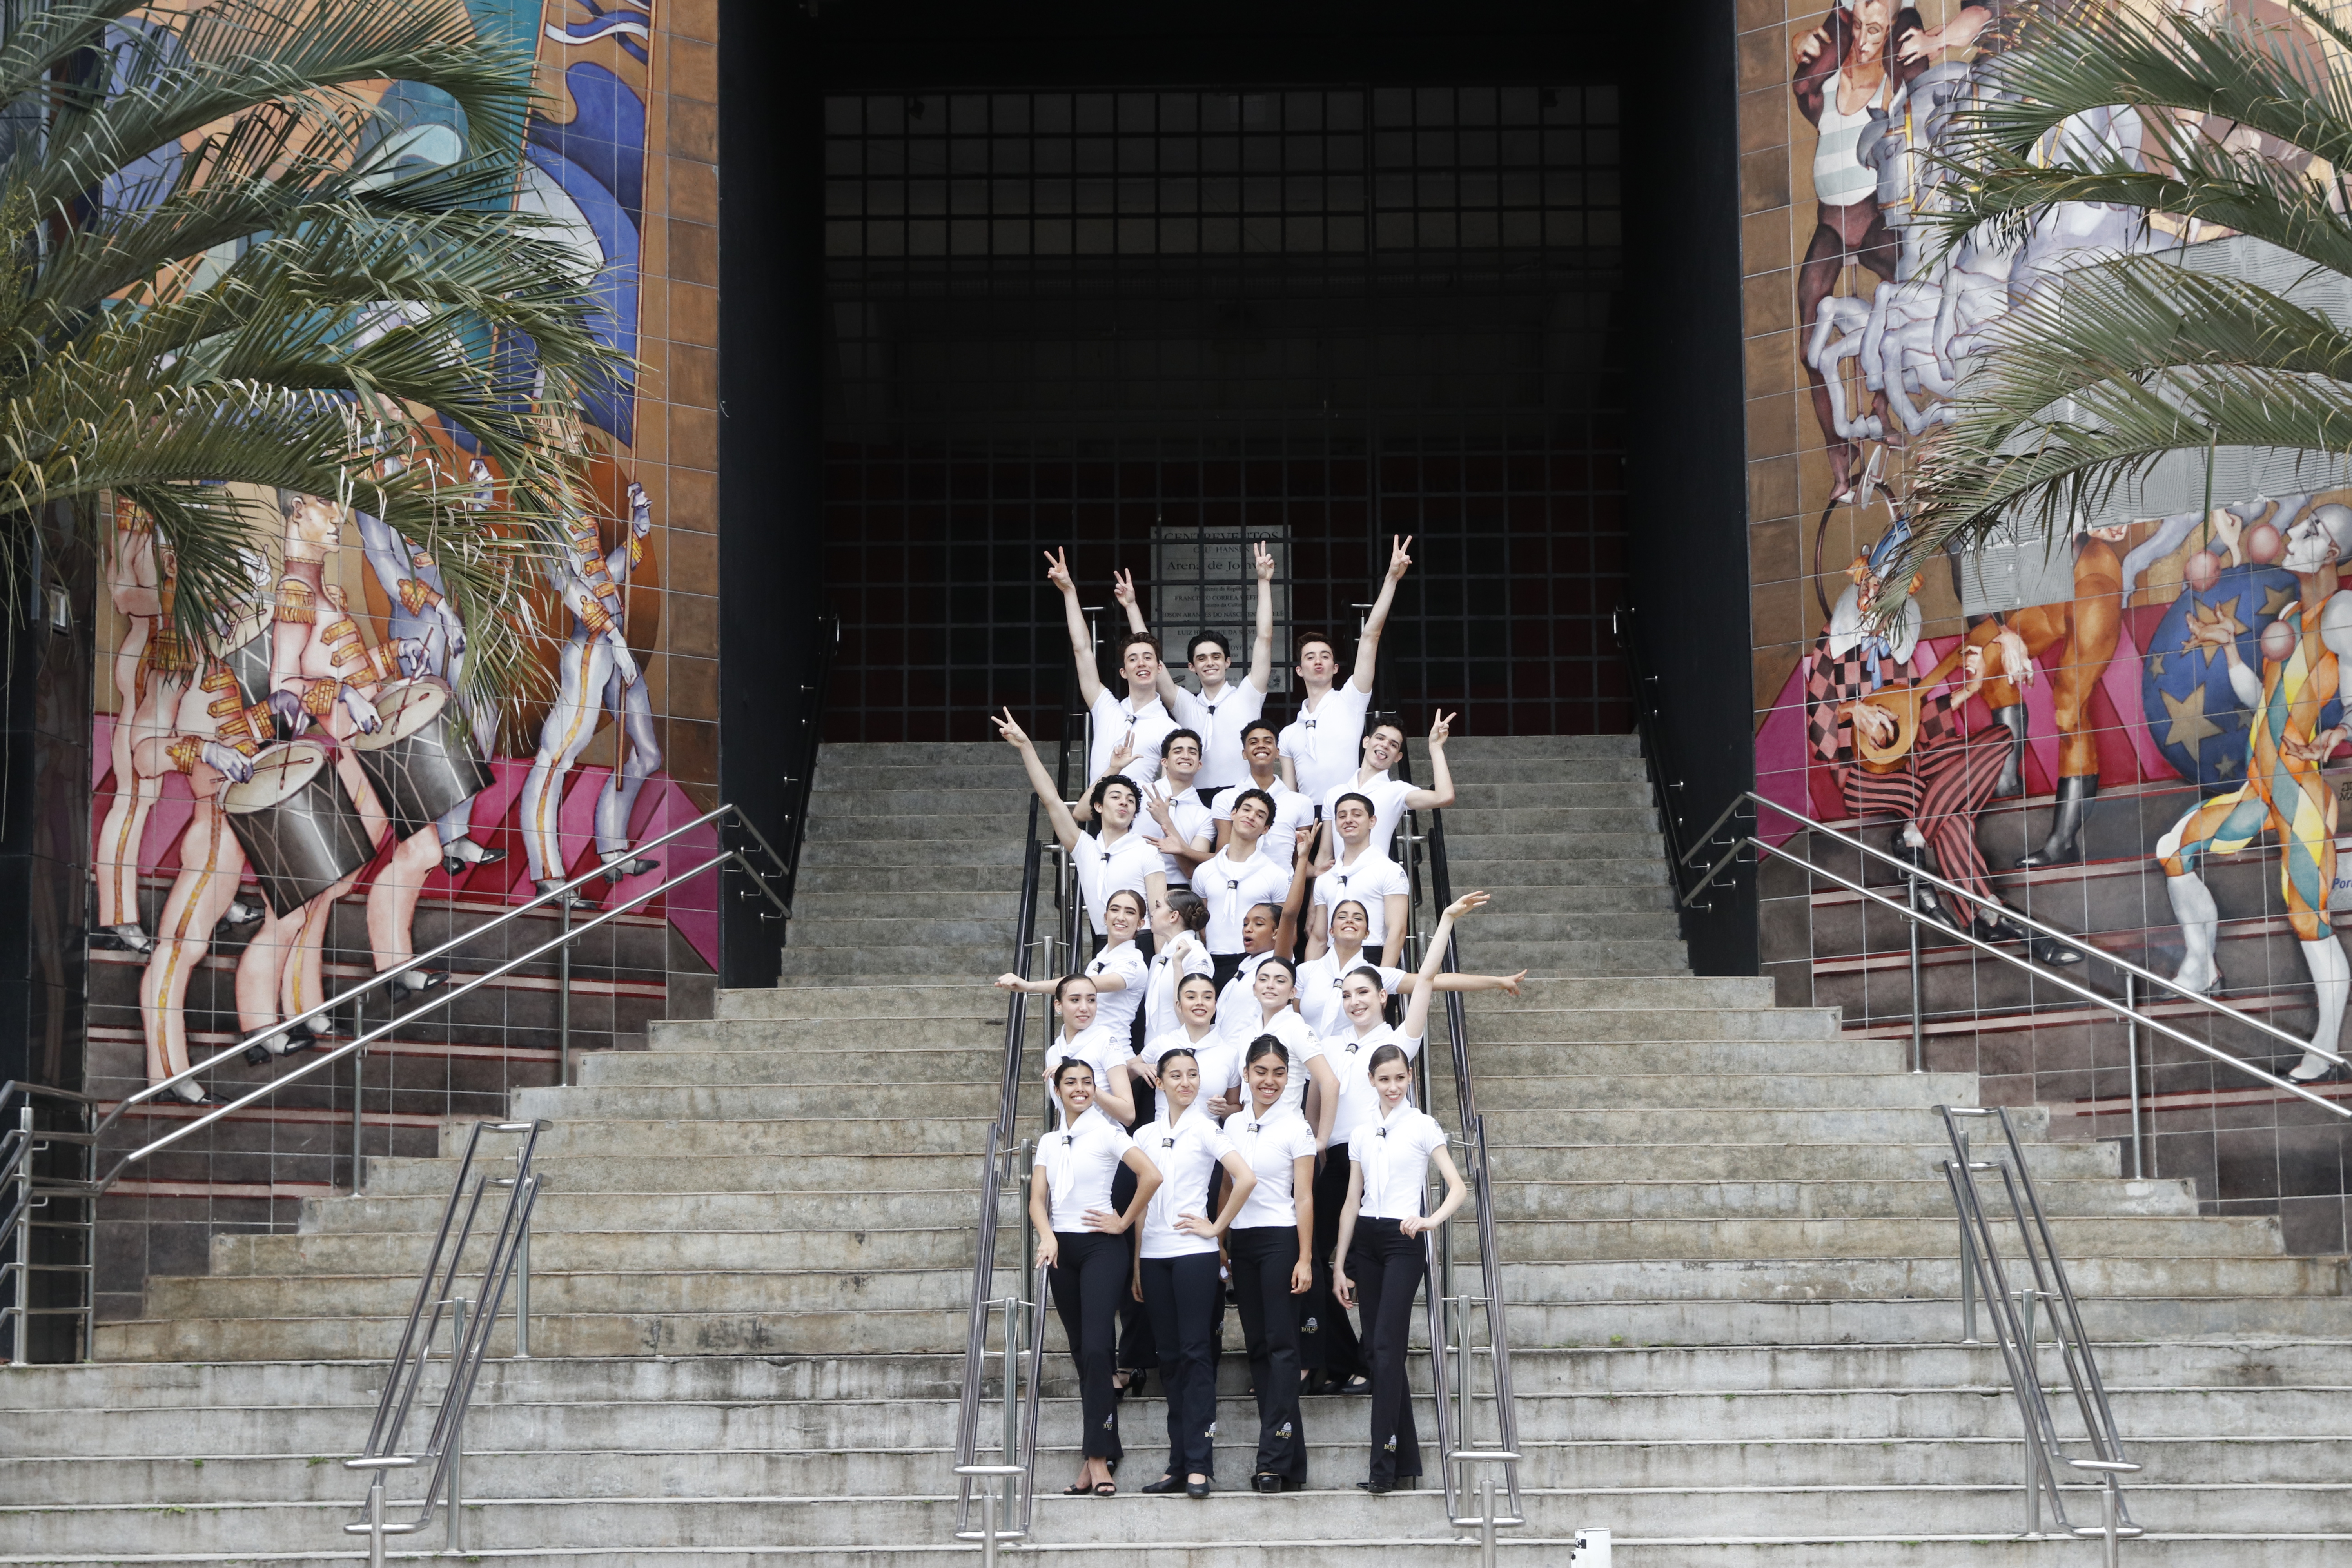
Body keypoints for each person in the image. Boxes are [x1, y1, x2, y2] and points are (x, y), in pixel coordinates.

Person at [1806, 518, 2082, 964]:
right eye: (1877, 593)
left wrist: (1968, 691)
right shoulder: (1831, 651)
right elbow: (1821, 736)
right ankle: (1996, 914)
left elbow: (1918, 717)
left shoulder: (1896, 651)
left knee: (1998, 739)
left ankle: (1916, 836)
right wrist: (1851, 710)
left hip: (1917, 764)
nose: (1882, 606)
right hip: (1862, 778)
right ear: (1864, 590)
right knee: (1939, 807)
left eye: (1895, 598)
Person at [2161, 502, 2352, 1083]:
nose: (2292, 536)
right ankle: (2201, 964)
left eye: (2311, 532)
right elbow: (2259, 700)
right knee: (2176, 848)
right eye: (2300, 525)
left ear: (2335, 554)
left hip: (2301, 793)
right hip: (2263, 791)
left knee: (2309, 920)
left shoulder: (2341, 610)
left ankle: (2325, 1041)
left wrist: (2341, 732)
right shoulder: (2293, 614)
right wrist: (2227, 647)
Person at [1307, 890, 1484, 1394]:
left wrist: (1446, 919)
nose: (1355, 1001)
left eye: (1364, 993)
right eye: (1347, 995)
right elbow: (1319, 1097)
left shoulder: (1398, 1041)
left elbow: (1426, 980)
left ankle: (1375, 1362)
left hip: (1378, 1164)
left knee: (1368, 1268)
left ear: (1382, 996)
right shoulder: (1334, 1043)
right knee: (1321, 1264)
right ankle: (1348, 1359)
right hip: (1337, 1160)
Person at [1332, 1039, 1467, 1494]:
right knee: (1377, 1350)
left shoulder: (1424, 1125)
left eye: (1400, 1078)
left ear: (1411, 1078)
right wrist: (1338, 1264)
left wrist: (1429, 1220)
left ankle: (1382, 1467)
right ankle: (1402, 1456)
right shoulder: (1361, 1130)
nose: (1393, 1086)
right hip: (1366, 1241)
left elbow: (1457, 1186)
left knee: (1388, 1350)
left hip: (1405, 1241)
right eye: (1384, 1079)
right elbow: (1352, 1200)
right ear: (1371, 1080)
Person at [520, 483, 661, 898]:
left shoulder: (569, 492)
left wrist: (637, 533)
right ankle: (547, 871)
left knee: (648, 753)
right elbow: (568, 585)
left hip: (616, 646)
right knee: (557, 755)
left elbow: (602, 574)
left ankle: (613, 848)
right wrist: (615, 640)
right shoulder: (540, 502)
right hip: (593, 649)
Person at [1032, 1058, 1162, 1499]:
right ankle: (1100, 1451)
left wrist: (1123, 1223)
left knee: (1097, 1347)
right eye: (1072, 1082)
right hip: (1061, 1251)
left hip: (1102, 1248)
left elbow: (1152, 1175)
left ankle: (1097, 1458)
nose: (1081, 1089)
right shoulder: (1050, 1141)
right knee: (1081, 1353)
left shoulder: (1108, 1132)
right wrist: (1047, 1236)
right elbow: (1037, 1201)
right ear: (1059, 1090)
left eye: (1088, 1082)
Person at [1129, 1047, 1256, 1499]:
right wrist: (1139, 1261)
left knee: (1197, 1355)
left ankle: (1201, 1465)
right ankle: (1177, 1463)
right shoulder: (1143, 1135)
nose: (1186, 1081)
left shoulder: (1207, 1128)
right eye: (1176, 1075)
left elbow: (1245, 1178)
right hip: (1155, 1258)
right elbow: (1141, 1202)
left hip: (1195, 1255)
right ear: (1159, 1082)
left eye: (1193, 1074)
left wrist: (1217, 1228)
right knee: (1169, 1359)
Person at [1226, 1036, 1319, 1492]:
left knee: (1283, 1347)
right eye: (1261, 1071)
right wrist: (1222, 1237)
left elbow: (1304, 1196)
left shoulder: (1296, 1126)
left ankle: (1272, 1460)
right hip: (1241, 1242)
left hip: (1281, 1240)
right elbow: (1227, 1186)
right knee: (1259, 1348)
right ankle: (1291, 1461)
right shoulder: (1233, 1125)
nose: (1269, 1080)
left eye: (1279, 1072)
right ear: (1246, 1074)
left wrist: (1304, 1256)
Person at [1113, 541, 1278, 796]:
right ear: (1192, 667)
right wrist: (1131, 607)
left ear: (1228, 662)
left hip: (1242, 797)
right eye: (1201, 659)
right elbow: (1150, 654)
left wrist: (1264, 582)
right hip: (1196, 799)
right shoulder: (1186, 705)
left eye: (1216, 656)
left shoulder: (1248, 694)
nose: (1210, 663)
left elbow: (1264, 638)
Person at [995, 709, 1168, 939]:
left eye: (1130, 801)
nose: (1124, 803)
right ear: (1098, 806)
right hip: (1103, 942)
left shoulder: (1147, 852)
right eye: (1115, 797)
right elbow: (1051, 800)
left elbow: (1160, 916)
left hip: (1144, 942)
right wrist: (1026, 746)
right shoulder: (1087, 848)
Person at [1279, 535, 1412, 805]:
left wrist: (1391, 579)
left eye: (1325, 656)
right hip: (1307, 822)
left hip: (1348, 811)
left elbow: (1371, 637)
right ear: (1299, 670)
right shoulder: (1289, 733)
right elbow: (1289, 795)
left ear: (1335, 667)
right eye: (1310, 657)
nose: (1318, 661)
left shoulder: (1349, 700)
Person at [1047, 547, 1175, 802]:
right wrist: (1070, 592)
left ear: (1159, 668)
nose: (1141, 663)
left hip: (1141, 828)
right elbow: (1082, 649)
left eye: (1148, 657)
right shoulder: (1107, 707)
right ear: (1123, 672)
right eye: (1133, 659)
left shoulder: (1170, 729)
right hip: (1098, 820)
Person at [1296, 899, 1527, 1038]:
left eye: (1358, 918)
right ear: (1331, 930)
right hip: (1305, 1072)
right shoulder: (1306, 972)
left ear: (1367, 933)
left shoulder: (1376, 976)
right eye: (1342, 917)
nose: (1349, 921)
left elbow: (1438, 981)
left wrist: (1497, 981)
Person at [1191, 789, 1298, 987]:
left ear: (1266, 828)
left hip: (1256, 965)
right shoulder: (1204, 871)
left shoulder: (1276, 875)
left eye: (1260, 815)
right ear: (1233, 814)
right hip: (1212, 962)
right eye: (1246, 810)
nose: (1251, 816)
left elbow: (1288, 932)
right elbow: (1201, 924)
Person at [1317, 711, 1456, 862]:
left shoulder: (1397, 791)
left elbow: (1444, 797)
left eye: (1393, 744)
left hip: (1378, 880)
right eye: (1380, 738)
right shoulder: (1334, 793)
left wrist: (1435, 747)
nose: (1385, 745)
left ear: (1398, 757)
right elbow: (1325, 854)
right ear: (1366, 742)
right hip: (1339, 880)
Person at [1224, 956, 1330, 1130]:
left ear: (1293, 993)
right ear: (1254, 989)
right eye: (1263, 979)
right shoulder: (1246, 1035)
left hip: (1287, 1129)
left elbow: (1329, 1082)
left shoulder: (1298, 1029)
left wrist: (1321, 1139)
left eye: (1280, 981)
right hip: (1249, 1129)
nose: (1270, 985)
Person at [1024, 975, 1138, 1129]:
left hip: (1103, 1140)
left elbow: (1128, 1114)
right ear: (1058, 1005)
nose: (1084, 1008)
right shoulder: (1054, 1052)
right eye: (1075, 1000)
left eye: (1091, 1000)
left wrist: (1085, 1085)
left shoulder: (1106, 1041)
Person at [1307, 793, 1410, 962]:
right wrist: (1309, 979)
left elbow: (1397, 932)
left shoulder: (1389, 870)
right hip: (1331, 958)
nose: (1348, 820)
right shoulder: (1326, 878)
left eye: (1357, 815)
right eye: (1342, 816)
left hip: (1372, 955)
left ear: (1372, 821)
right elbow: (1319, 938)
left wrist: (1383, 978)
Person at [1136, 972, 1234, 1125]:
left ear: (1216, 1005)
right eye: (1191, 997)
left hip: (1206, 1143)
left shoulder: (1230, 1053)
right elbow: (1124, 1071)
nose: (1200, 1003)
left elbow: (1236, 1108)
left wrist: (1225, 1110)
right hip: (1161, 1139)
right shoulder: (1163, 1043)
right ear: (1179, 1005)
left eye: (1207, 998)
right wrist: (1138, 1068)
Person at [1213, 720, 1316, 853]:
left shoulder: (1302, 802)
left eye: (1267, 742)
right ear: (1245, 753)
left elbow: (1300, 859)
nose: (1261, 746)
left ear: (1277, 752)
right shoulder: (1225, 798)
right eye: (1254, 742)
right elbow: (1222, 856)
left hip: (1285, 875)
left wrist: (1317, 871)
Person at [1140, 730, 1218, 880]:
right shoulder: (1140, 793)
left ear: (1199, 764)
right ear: (1165, 762)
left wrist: (1166, 822)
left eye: (1192, 752)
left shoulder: (1205, 815)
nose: (1186, 756)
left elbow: (1191, 871)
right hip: (1135, 883)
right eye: (1178, 751)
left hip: (1177, 889)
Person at [1142, 893, 1214, 1042]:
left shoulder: (1197, 955)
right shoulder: (1159, 958)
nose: (1153, 913)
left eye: (1158, 907)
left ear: (1173, 916)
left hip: (1180, 1052)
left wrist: (1178, 964)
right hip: (1153, 1051)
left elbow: (1193, 1013)